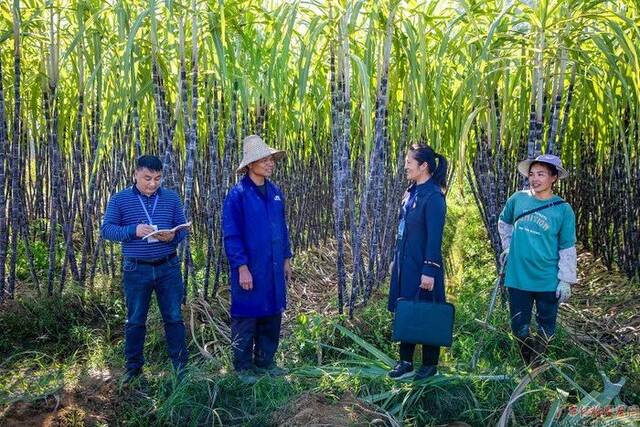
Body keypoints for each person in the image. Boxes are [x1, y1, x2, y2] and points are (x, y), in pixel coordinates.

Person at [101, 155, 190, 382]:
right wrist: (133, 230)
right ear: (135, 175)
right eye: (147, 178)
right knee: (135, 319)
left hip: (168, 267)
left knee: (173, 317)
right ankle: (133, 369)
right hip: (136, 269)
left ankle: (180, 368)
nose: (152, 183)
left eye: (157, 178)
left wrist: (172, 236)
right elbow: (107, 230)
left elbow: (182, 230)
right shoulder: (120, 199)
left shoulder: (171, 198)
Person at [223, 135, 293, 384]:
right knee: (247, 316)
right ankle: (242, 368)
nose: (269, 163)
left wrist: (286, 256)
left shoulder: (275, 192)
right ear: (250, 164)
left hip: (273, 266)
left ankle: (266, 362)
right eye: (263, 159)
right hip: (251, 266)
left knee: (272, 313)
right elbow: (232, 235)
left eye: (271, 158)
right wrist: (242, 267)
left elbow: (283, 229)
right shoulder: (238, 195)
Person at [498, 154, 577, 365]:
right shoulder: (517, 199)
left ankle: (536, 368)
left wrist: (566, 280)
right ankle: (529, 364)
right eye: (532, 174)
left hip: (547, 277)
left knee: (546, 326)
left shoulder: (562, 209)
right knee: (519, 326)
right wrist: (508, 248)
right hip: (518, 276)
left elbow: (567, 246)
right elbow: (503, 223)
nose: (535, 179)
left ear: (553, 177)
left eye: (541, 174)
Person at [387, 143, 448, 381]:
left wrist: (429, 270)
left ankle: (430, 364)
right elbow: (403, 228)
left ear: (424, 166)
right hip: (406, 262)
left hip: (423, 265)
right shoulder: (412, 191)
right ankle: (405, 361)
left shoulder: (433, 196)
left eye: (409, 163)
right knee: (407, 310)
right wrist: (396, 259)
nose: (405, 167)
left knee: (427, 311)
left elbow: (435, 237)